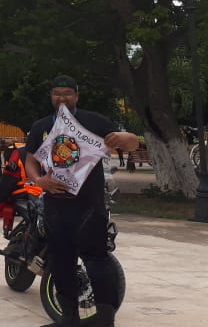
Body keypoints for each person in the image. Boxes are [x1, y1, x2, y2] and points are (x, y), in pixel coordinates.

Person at [24, 75, 138, 327]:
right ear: (51, 96)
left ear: (76, 95)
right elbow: (29, 160)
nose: (62, 98)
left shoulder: (94, 121)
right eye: (56, 93)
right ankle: (69, 318)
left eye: (67, 93)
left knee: (97, 259)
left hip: (89, 204)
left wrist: (125, 137)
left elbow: (131, 143)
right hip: (55, 205)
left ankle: (105, 319)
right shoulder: (42, 125)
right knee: (61, 261)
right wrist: (39, 181)